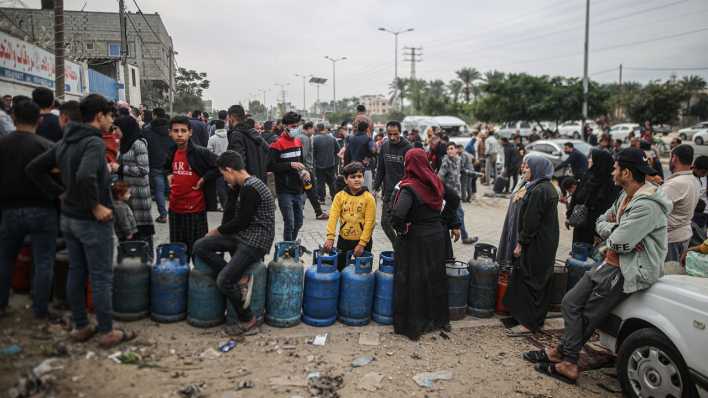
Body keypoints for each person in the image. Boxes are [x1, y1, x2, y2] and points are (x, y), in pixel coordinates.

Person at [526, 147, 671, 385]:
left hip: (627, 269)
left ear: (626, 172)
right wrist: (616, 233)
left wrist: (616, 235)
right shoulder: (626, 195)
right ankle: (562, 353)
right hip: (608, 260)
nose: (612, 171)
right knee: (571, 302)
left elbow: (619, 241)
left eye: (616, 168)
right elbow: (602, 221)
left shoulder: (647, 205)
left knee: (587, 314)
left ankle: (569, 362)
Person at [27, 94, 134, 348]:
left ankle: (81, 325)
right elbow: (85, 176)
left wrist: (61, 195)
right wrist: (95, 206)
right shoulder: (93, 143)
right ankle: (107, 331)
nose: (111, 122)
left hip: (69, 218)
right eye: (110, 116)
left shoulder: (66, 141)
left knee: (77, 271)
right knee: (100, 277)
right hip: (91, 221)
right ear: (99, 116)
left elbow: (34, 169)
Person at [193, 151, 275, 336]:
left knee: (223, 281)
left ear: (229, 169)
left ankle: (248, 319)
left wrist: (217, 231)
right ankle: (239, 278)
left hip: (256, 241)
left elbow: (241, 221)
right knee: (200, 246)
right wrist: (232, 190)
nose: (224, 179)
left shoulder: (252, 187)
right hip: (242, 236)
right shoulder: (243, 185)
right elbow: (231, 215)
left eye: (223, 175)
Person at [391, 148, 459, 340]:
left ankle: (415, 323)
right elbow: (454, 199)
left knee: (414, 279)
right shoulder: (435, 181)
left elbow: (397, 214)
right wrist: (443, 219)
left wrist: (401, 228)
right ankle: (438, 320)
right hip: (437, 237)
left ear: (408, 164)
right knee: (435, 277)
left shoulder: (409, 187)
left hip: (416, 238)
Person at [0, 99, 58, 319]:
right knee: (44, 260)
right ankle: (40, 308)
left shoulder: (2, 144)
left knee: (5, 258)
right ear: (40, 119)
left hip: (9, 211)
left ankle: (2, 304)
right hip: (43, 210)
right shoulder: (46, 147)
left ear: (13, 118)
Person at [503, 155, 559, 335]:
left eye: (528, 168)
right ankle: (527, 318)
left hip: (536, 243)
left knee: (531, 280)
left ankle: (529, 323)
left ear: (537, 169)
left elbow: (531, 222)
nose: (524, 170)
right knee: (535, 279)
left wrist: (521, 243)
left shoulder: (538, 191)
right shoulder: (545, 187)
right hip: (544, 241)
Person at [164, 115, 218, 260]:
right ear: (170, 133)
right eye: (175, 131)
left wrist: (203, 179)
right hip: (175, 209)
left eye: (183, 130)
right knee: (178, 252)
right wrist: (168, 174)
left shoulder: (200, 152)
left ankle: (197, 280)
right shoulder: (171, 151)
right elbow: (166, 168)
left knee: (198, 252)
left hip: (195, 210)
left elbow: (219, 167)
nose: (179, 134)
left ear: (190, 132)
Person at [323, 162, 376, 270]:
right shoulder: (339, 197)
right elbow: (333, 217)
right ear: (346, 180)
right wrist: (330, 237)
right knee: (340, 269)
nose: (357, 179)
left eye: (359, 176)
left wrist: (362, 244)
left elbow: (370, 222)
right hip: (344, 240)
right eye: (353, 177)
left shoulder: (369, 198)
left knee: (362, 272)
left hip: (363, 241)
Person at [115, 116, 155, 256]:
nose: (116, 132)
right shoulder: (123, 143)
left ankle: (147, 261)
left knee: (142, 230)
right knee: (129, 229)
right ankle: (133, 262)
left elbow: (144, 170)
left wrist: (120, 168)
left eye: (117, 129)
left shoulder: (138, 144)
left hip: (139, 195)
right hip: (128, 194)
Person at [565, 150, 621, 245]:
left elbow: (611, 206)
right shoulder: (589, 175)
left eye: (592, 159)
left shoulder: (612, 181)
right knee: (580, 252)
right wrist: (569, 215)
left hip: (598, 227)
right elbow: (576, 197)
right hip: (584, 224)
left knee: (589, 254)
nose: (589, 160)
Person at [269, 112, 307, 242]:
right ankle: (288, 250)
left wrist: (305, 171)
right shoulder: (277, 144)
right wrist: (290, 165)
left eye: (297, 126)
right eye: (293, 126)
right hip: (284, 190)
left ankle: (291, 245)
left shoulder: (298, 142)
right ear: (285, 126)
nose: (295, 128)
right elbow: (270, 166)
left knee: (299, 222)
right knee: (289, 222)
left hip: (298, 190)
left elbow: (301, 163)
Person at [373, 121, 412, 244]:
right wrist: (375, 187)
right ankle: (398, 247)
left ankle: (404, 248)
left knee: (401, 223)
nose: (392, 137)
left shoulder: (408, 148)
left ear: (400, 132)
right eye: (389, 134)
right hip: (388, 191)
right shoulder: (384, 146)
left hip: (403, 193)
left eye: (395, 134)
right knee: (385, 223)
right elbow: (381, 169)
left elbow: (411, 172)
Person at [661, 144, 700, 262]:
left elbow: (652, 209)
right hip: (683, 235)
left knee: (667, 275)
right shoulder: (693, 179)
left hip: (671, 239)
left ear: (674, 158)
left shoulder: (676, 184)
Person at [438, 142, 477, 245]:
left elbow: (463, 170)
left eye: (452, 148)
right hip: (449, 196)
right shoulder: (446, 162)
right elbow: (439, 178)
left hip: (456, 194)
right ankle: (464, 237)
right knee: (458, 214)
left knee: (452, 215)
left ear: (456, 150)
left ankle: (448, 237)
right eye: (448, 149)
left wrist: (475, 174)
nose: (450, 151)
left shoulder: (458, 160)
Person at [497, 157, 530, 268]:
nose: (523, 168)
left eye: (526, 166)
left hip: (519, 222)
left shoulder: (533, 186)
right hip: (512, 218)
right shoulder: (522, 180)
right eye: (523, 165)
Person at [143, 108, 172, 223]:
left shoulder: (147, 131)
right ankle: (176, 213)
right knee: (173, 189)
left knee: (159, 191)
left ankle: (163, 215)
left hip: (155, 164)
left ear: (154, 116)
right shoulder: (171, 130)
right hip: (170, 164)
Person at [297, 121, 328, 220]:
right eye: (313, 129)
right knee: (311, 192)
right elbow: (304, 156)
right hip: (306, 170)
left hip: (304, 169)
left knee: (307, 192)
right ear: (309, 128)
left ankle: (315, 212)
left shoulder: (300, 137)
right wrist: (305, 170)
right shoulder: (305, 139)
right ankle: (318, 212)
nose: (314, 131)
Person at [313, 123, 339, 203]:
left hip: (319, 165)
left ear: (317, 129)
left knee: (320, 182)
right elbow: (338, 149)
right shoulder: (332, 138)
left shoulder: (314, 139)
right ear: (324, 128)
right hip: (331, 164)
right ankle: (334, 197)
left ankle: (321, 198)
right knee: (332, 182)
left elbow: (313, 153)